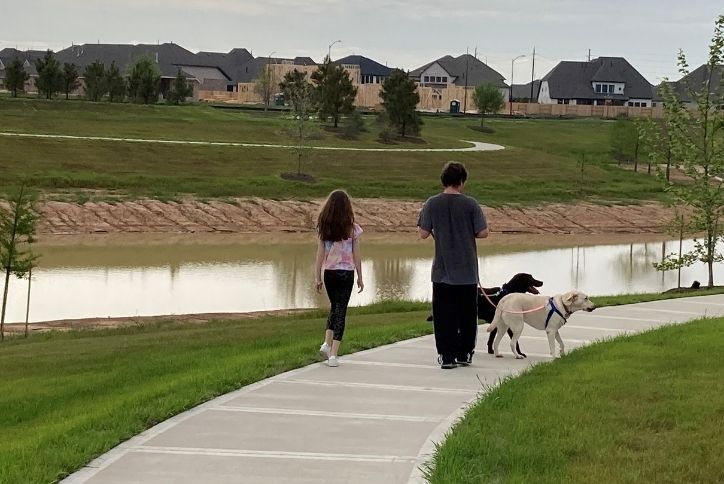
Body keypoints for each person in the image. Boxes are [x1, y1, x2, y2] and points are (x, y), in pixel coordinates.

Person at [417, 162, 488, 369]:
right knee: (467, 314)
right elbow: (483, 232)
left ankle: (446, 356)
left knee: (443, 315)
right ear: (462, 181)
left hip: (442, 271)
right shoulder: (471, 204)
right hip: (467, 271)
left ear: (443, 180)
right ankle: (465, 353)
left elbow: (422, 233)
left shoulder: (431, 203)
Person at [314, 189, 364, 367]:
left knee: (334, 307)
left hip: (330, 272)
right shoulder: (351, 228)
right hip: (346, 273)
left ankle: (326, 344)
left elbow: (320, 254)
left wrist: (317, 276)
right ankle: (333, 354)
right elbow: (356, 253)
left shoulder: (324, 227)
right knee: (341, 310)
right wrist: (360, 275)